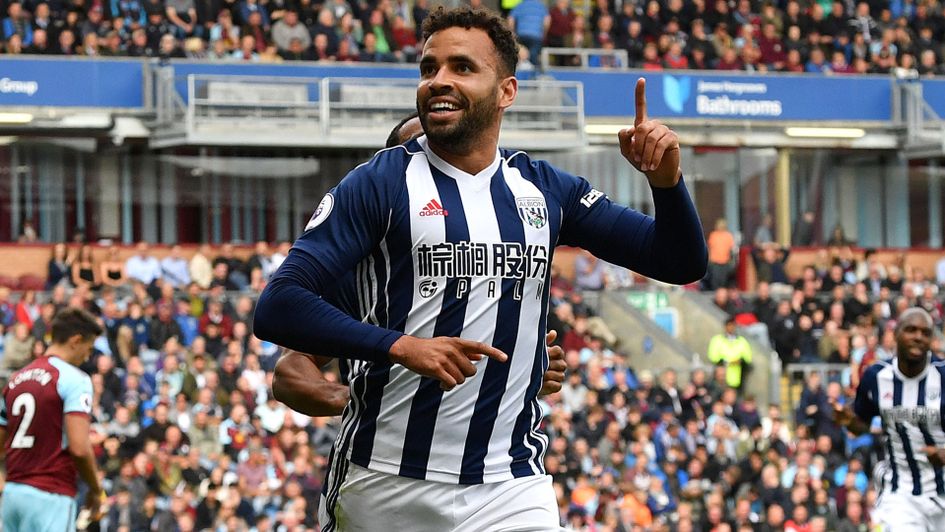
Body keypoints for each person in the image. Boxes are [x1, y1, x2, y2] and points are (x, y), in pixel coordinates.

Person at [253, 6, 706, 531]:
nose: (439, 80)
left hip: (509, 483)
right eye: (429, 68)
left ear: (507, 91)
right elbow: (278, 306)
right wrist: (401, 347)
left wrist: (667, 184)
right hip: (387, 480)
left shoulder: (544, 189)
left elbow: (678, 261)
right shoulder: (377, 185)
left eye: (462, 67)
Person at [835, 307, 945, 531]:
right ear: (895, 334)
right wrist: (849, 421)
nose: (918, 336)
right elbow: (862, 426)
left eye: (925, 332)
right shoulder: (876, 377)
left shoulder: (943, 377)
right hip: (901, 494)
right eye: (911, 330)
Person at [0, 308, 106, 531]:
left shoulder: (15, 380)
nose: (87, 357)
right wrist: (97, 490)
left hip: (12, 495)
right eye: (88, 349)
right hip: (51, 496)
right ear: (75, 341)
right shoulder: (75, 379)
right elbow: (79, 447)